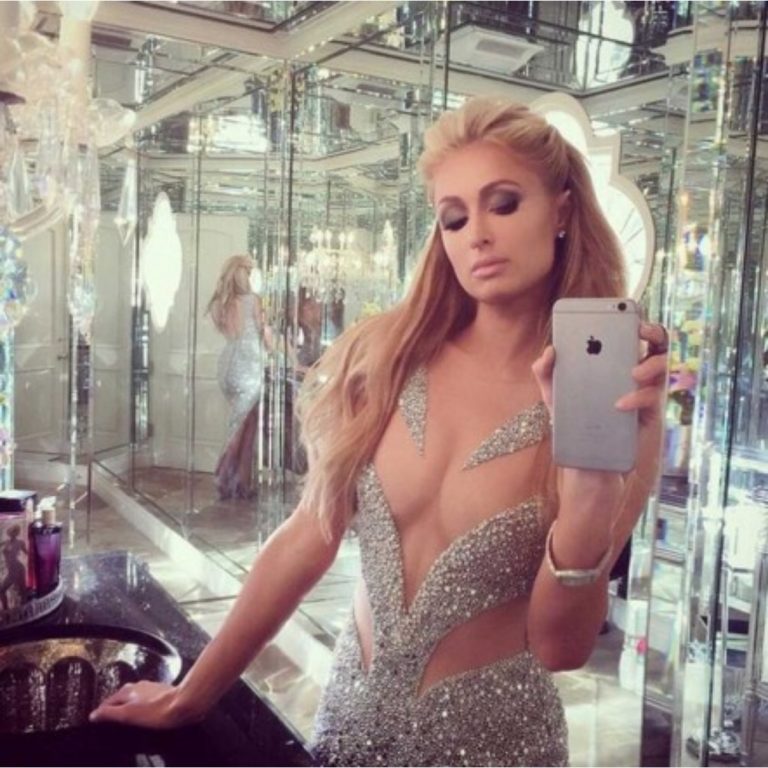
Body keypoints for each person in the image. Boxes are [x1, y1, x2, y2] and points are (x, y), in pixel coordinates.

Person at [90, 98, 668, 766]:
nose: (476, 235)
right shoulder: (386, 357)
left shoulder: (615, 402)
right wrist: (192, 696)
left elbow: (561, 648)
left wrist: (590, 488)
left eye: (504, 204)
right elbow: (306, 536)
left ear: (562, 211)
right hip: (349, 729)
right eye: (454, 217)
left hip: (499, 746)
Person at [207, 255, 270, 500]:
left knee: (247, 422)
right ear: (242, 273)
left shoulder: (219, 303)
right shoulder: (253, 300)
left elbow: (228, 332)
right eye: (250, 270)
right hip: (249, 365)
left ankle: (241, 482)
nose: (254, 275)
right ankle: (224, 474)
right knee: (242, 425)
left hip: (227, 366)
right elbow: (265, 336)